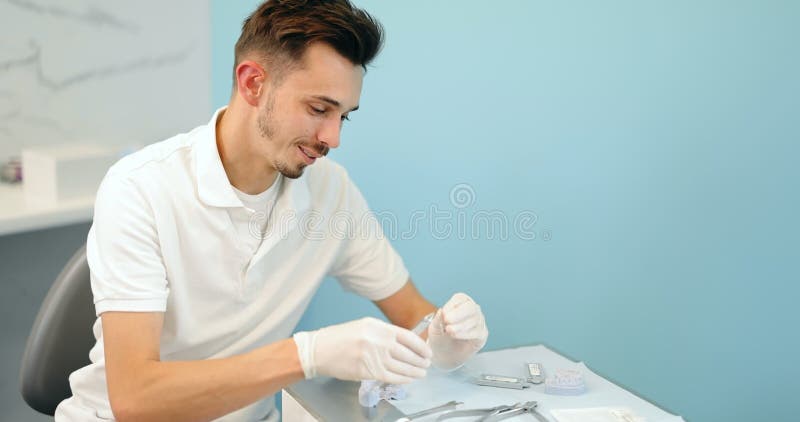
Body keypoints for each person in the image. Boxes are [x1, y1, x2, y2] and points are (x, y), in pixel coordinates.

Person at [55, 1, 488, 421]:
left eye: (343, 116)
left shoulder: (331, 191)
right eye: (318, 109)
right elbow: (135, 400)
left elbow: (414, 314)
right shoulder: (140, 188)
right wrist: (308, 354)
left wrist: (445, 340)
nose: (333, 138)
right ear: (253, 84)